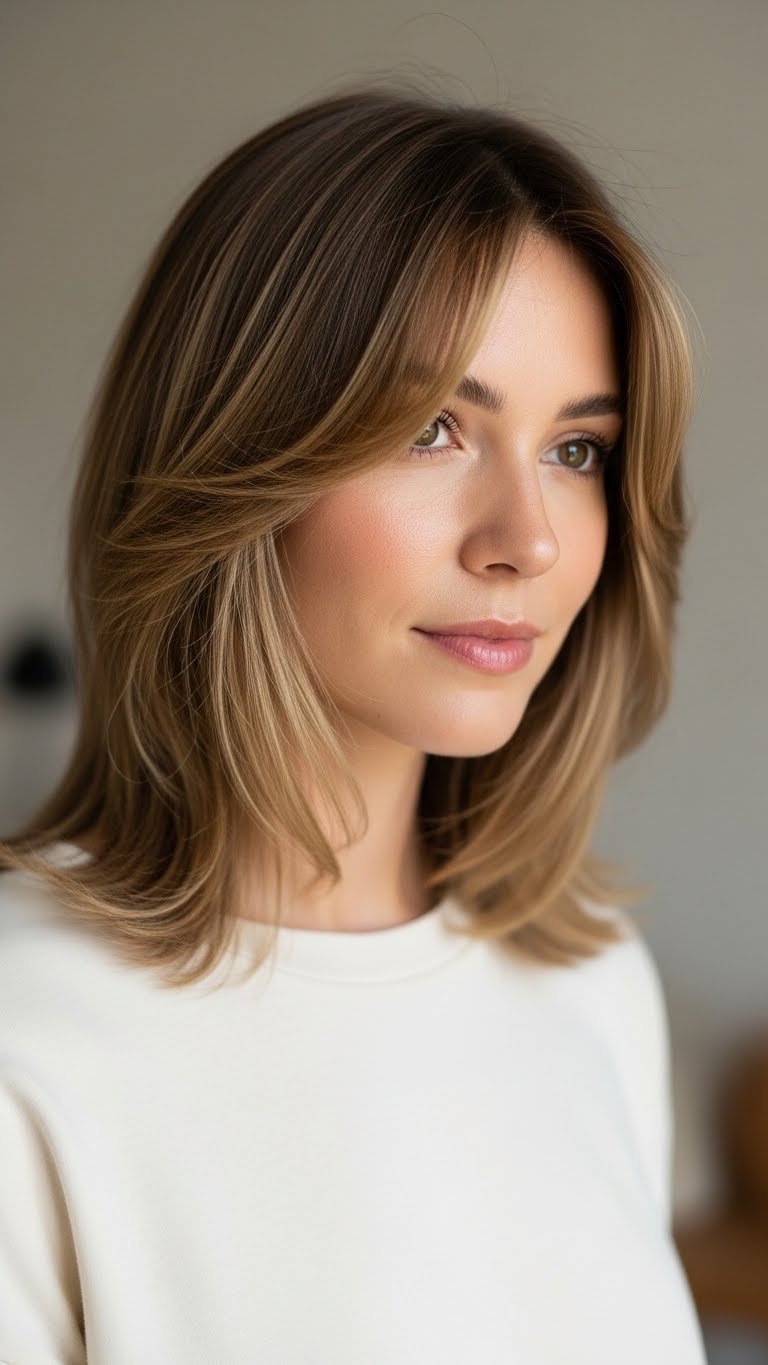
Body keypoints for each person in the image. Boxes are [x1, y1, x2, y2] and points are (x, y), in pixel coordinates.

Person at [0, 83, 708, 1362]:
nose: (530, 541)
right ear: (236, 458)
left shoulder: (592, 979)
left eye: (577, 451)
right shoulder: (27, 1025)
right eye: (435, 429)